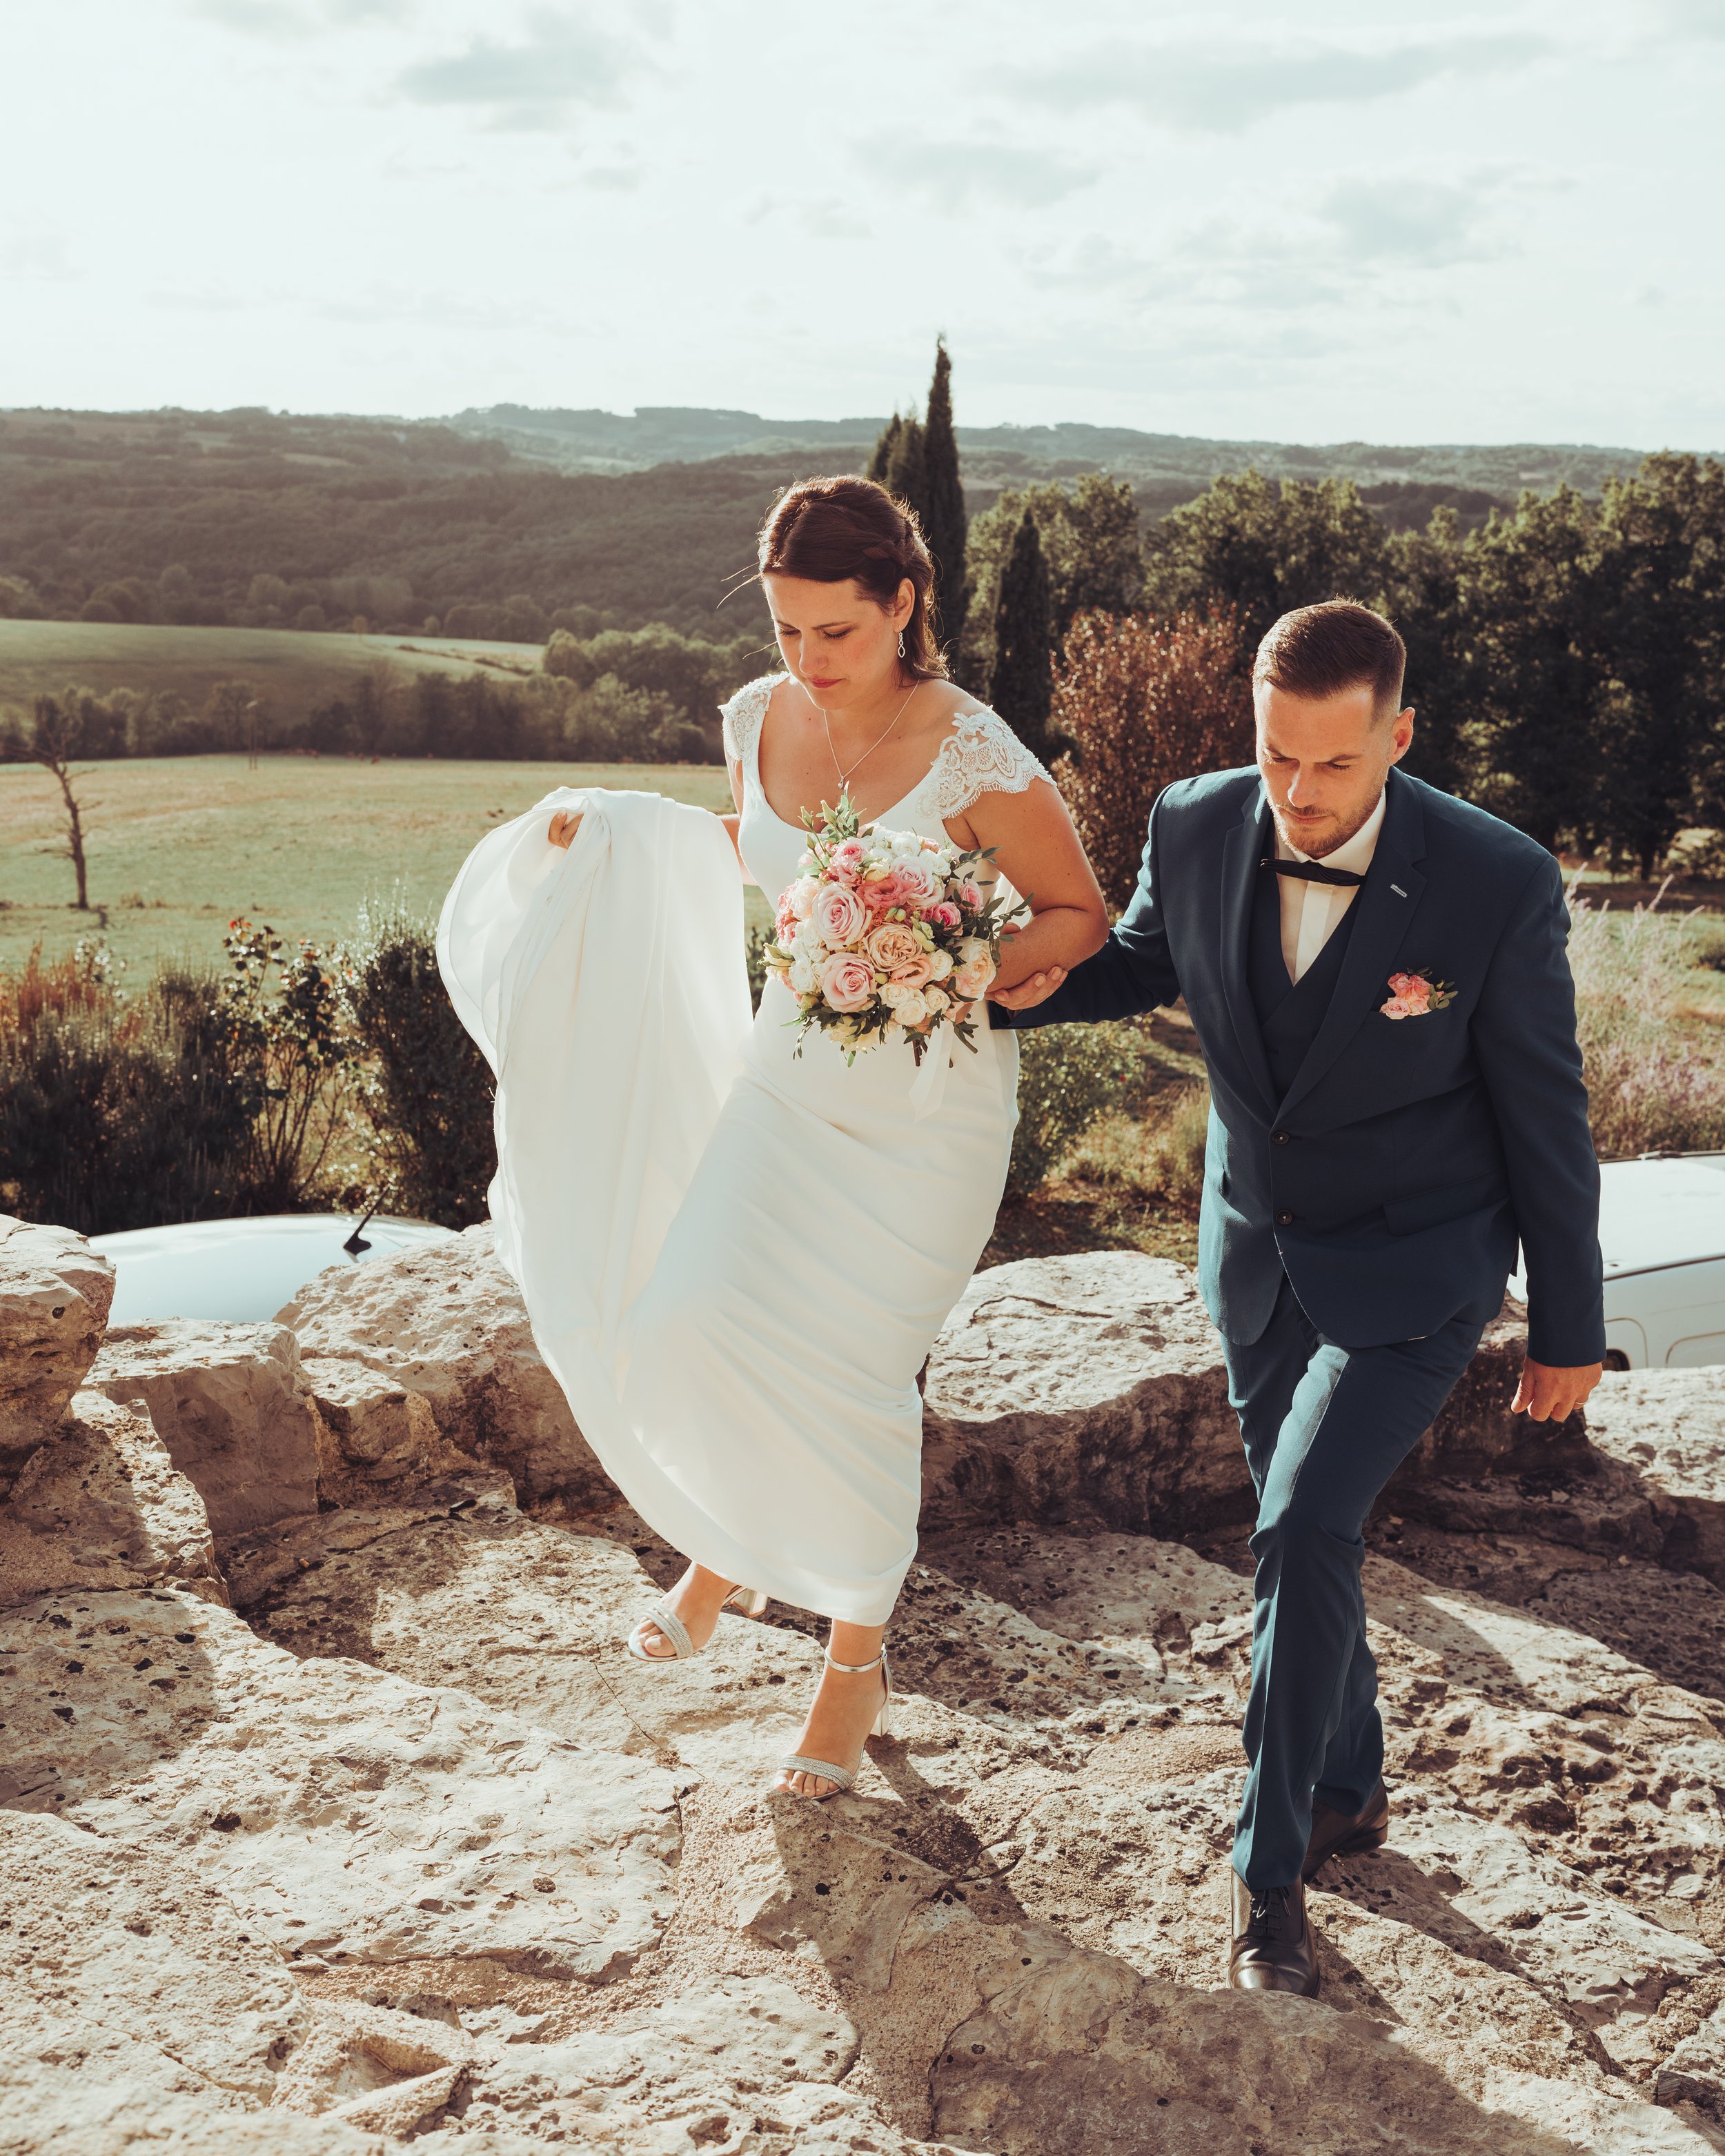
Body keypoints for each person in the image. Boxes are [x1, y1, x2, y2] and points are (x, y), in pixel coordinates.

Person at [438, 475, 1108, 1801]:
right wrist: (612, 832)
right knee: (687, 1317)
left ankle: (853, 1657)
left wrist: (955, 960)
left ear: (903, 603)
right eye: (788, 630)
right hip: (788, 1079)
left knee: (855, 1370)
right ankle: (729, 1544)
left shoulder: (977, 751)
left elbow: (1079, 911)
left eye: (835, 634)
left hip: (926, 1114)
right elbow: (756, 852)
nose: (807, 660)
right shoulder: (754, 717)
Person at [990, 598, 1605, 1996]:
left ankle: (1266, 1882)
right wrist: (971, 987)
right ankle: (1349, 1788)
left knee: (1297, 1525)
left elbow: (1545, 1117)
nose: (1299, 794)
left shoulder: (1493, 881)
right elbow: (1143, 964)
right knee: (1308, 1552)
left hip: (1414, 1269)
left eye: (1331, 765)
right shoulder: (1192, 821)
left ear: (1395, 735)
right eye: (1276, 757)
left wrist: (1568, 1327)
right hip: (1255, 1253)